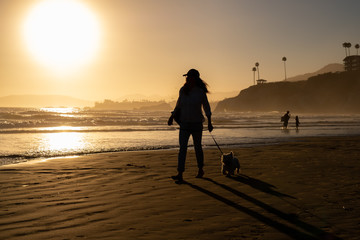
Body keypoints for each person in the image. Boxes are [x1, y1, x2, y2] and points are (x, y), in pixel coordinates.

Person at [168, 69, 213, 183]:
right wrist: (172, 116)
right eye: (186, 76)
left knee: (198, 148)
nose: (187, 78)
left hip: (197, 124)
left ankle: (200, 169)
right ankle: (180, 174)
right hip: (184, 123)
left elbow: (206, 107)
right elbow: (178, 104)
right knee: (182, 149)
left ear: (195, 78)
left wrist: (209, 122)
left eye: (189, 76)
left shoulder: (200, 92)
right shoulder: (183, 90)